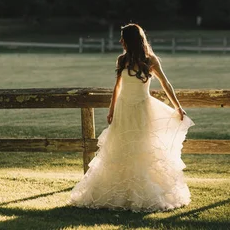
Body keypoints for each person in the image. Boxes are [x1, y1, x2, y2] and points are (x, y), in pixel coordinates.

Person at [70, 23, 194, 211]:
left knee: (141, 148)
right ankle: (120, 192)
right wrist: (111, 109)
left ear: (131, 40)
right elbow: (117, 87)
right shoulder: (121, 60)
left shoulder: (150, 60)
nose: (120, 41)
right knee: (120, 147)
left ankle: (140, 192)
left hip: (142, 109)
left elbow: (165, 83)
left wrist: (178, 107)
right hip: (123, 109)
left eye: (123, 38)